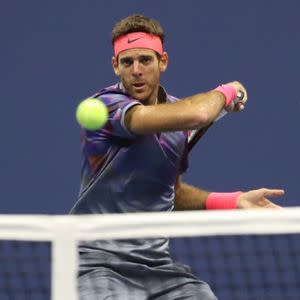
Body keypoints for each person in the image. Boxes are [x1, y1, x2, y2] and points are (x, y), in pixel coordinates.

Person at [70, 14, 285, 300]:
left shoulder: (176, 122)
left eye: (145, 60)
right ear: (115, 66)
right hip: (98, 264)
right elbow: (199, 113)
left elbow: (171, 191)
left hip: (158, 268)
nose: (136, 70)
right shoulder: (106, 107)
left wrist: (233, 201)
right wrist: (227, 91)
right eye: (127, 62)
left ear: (163, 62)